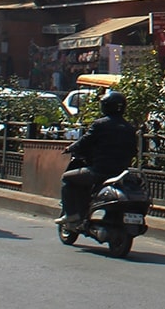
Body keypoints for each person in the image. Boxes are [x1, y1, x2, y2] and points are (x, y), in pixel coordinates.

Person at [59, 89, 139, 231]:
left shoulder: (100, 124)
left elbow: (85, 141)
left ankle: (71, 215)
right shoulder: (129, 128)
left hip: (99, 172)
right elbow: (134, 151)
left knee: (67, 178)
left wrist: (69, 148)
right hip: (121, 173)